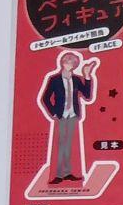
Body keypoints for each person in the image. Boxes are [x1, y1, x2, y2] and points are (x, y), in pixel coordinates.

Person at [41, 52, 96, 184]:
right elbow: (46, 97)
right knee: (61, 144)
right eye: (67, 62)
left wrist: (87, 76)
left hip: (73, 115)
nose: (69, 65)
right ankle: (58, 175)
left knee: (69, 144)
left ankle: (68, 173)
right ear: (63, 63)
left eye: (72, 63)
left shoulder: (76, 79)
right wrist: (53, 112)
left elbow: (87, 95)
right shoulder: (54, 80)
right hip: (61, 115)